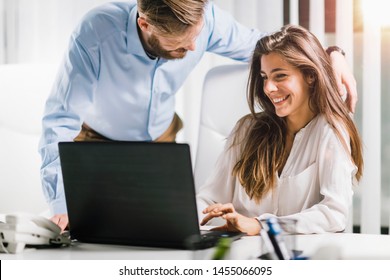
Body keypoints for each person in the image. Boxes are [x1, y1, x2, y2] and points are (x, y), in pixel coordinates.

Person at [39, 0, 357, 231]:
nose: (194, 48)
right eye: (180, 46)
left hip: (161, 140)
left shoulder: (208, 23)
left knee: (155, 234)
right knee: (89, 234)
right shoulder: (97, 31)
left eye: (198, 36)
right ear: (145, 24)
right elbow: (59, 121)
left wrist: (332, 55)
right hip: (97, 140)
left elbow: (277, 50)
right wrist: (62, 205)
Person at [197, 24, 363, 236]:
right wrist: (192, 217)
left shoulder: (330, 131)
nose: (268, 88)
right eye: (265, 77)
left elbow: (334, 214)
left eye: (280, 76)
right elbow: (209, 198)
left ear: (310, 75)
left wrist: (260, 225)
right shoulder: (246, 129)